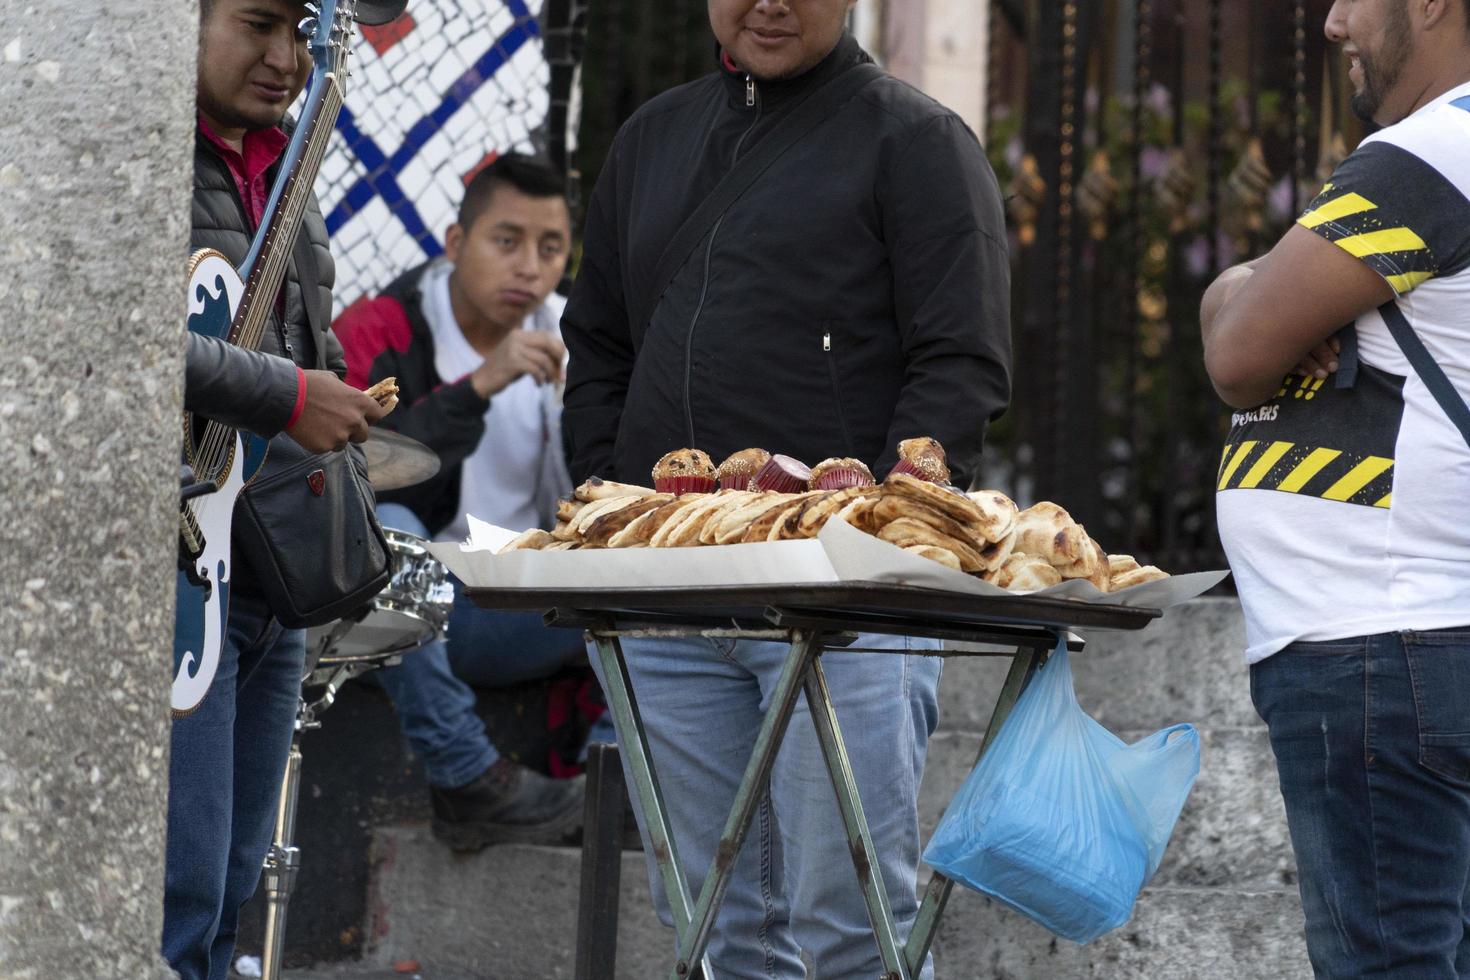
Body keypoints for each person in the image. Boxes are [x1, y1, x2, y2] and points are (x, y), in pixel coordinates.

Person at [560, 0, 1011, 974]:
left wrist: (883, 539)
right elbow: (598, 341)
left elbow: (961, 362)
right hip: (666, 595)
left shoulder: (919, 141)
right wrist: (608, 497)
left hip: (842, 601)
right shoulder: (651, 138)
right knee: (718, 922)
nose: (769, 1)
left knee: (852, 921)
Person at [1201, 0, 1470, 973]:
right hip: (1413, 644)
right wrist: (1251, 288)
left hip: (1381, 649)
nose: (1330, 22)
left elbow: (1237, 354)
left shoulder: (1429, 154)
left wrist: (1240, 291)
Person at [166, 0, 399, 977]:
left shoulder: (286, 170)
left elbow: (301, 344)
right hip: (179, 574)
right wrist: (294, 393)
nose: (284, 57)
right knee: (172, 896)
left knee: (228, 886)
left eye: (301, 33)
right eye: (259, 23)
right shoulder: (140, 155)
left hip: (267, 576)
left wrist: (333, 392)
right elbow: (123, 342)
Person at [333, 153, 596, 850]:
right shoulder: (381, 328)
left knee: (659, 567)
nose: (530, 269)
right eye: (506, 242)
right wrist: (478, 385)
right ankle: (468, 776)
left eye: (550, 248)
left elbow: (611, 499)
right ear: (456, 245)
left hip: (522, 603)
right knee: (386, 527)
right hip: (404, 613)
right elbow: (341, 480)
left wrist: (589, 414)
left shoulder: (580, 337)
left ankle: (614, 787)